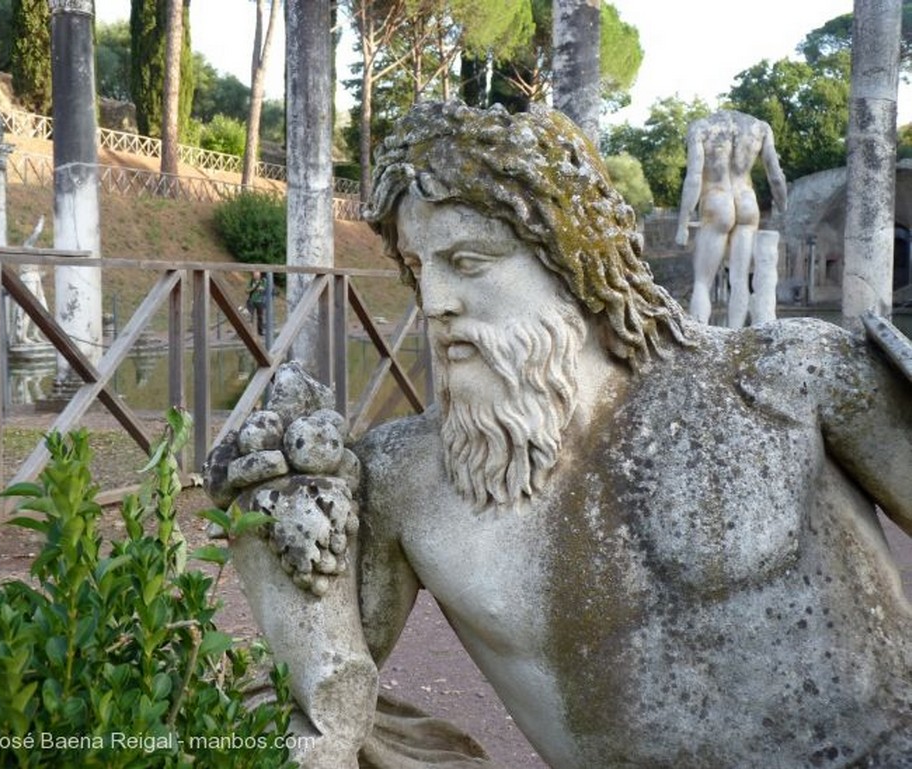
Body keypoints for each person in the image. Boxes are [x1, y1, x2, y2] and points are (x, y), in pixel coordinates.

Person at [209, 102, 912, 769]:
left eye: (468, 262)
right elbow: (322, 702)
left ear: (570, 257)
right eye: (419, 269)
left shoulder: (790, 378)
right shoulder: (405, 481)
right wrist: (278, 522)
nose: (434, 303)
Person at [675, 110, 788, 327]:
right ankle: (736, 337)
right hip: (746, 201)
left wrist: (683, 224)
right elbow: (775, 174)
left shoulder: (701, 127)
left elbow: (694, 179)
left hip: (717, 200)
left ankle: (699, 336)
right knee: (739, 280)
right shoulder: (760, 128)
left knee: (701, 282)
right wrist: (783, 205)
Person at [246, 270, 268, 336]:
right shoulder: (251, 281)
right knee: (250, 316)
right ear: (253, 275)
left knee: (260, 317)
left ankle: (260, 331)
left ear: (260, 275)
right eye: (255, 275)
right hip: (251, 301)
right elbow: (246, 290)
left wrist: (262, 289)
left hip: (260, 301)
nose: (257, 276)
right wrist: (254, 288)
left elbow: (265, 289)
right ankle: (249, 332)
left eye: (258, 275)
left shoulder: (263, 281)